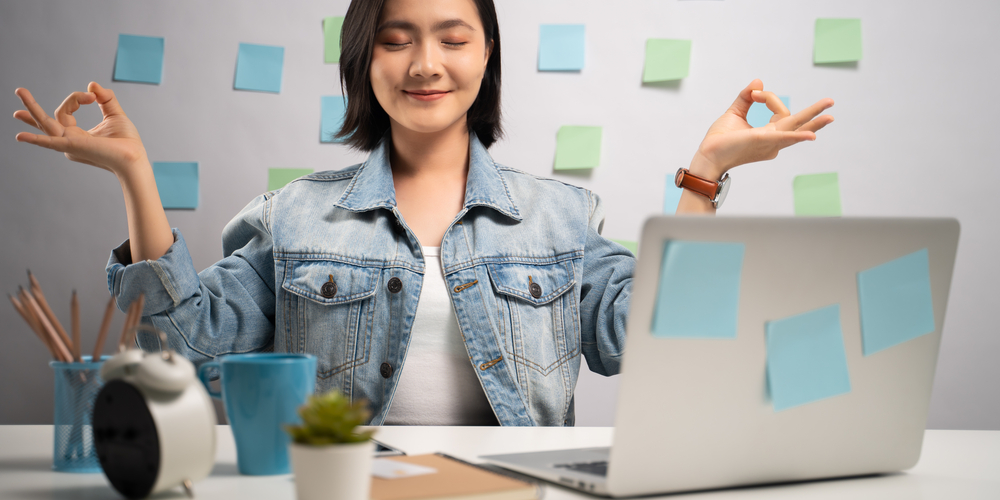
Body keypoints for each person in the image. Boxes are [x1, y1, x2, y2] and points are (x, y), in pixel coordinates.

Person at [12, 0, 834, 426]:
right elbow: (179, 348)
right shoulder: (293, 216)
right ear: (363, 59)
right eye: (398, 37)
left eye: (453, 36)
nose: (426, 63)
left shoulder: (560, 215)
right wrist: (135, 177)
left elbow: (647, 337)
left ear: (487, 56)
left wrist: (708, 172)